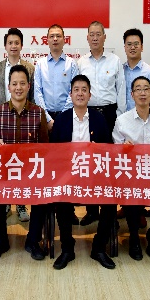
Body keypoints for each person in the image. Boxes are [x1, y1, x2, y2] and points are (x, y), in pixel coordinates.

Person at [51, 75, 117, 270]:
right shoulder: (61, 119)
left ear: (90, 95)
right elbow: (53, 153)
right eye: (76, 90)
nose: (80, 93)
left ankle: (99, 247)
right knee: (60, 197)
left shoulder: (99, 119)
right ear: (70, 94)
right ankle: (67, 248)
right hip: (68, 175)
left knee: (111, 200)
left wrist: (98, 150)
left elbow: (108, 150)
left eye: (84, 90)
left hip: (95, 174)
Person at [0, 64, 48, 260]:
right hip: (5, 173)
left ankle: (33, 241)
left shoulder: (38, 113)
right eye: (14, 84)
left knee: (42, 195)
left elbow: (46, 147)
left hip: (31, 173)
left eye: (22, 83)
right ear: (8, 86)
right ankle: (0, 242)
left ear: (29, 86)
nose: (18, 88)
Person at [112, 76, 150, 260]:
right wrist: (122, 148)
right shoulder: (122, 121)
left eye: (146, 89)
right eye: (138, 89)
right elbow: (114, 152)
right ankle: (134, 237)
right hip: (132, 174)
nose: (142, 93)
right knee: (130, 191)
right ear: (132, 94)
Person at [77, 20, 126, 226]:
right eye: (92, 34)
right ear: (87, 38)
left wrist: (120, 119)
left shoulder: (115, 61)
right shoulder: (81, 62)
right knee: (90, 163)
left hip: (109, 114)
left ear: (104, 37)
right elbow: (78, 91)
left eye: (99, 34)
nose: (95, 38)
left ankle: (109, 213)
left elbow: (121, 90)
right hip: (88, 114)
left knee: (109, 164)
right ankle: (91, 211)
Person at [0, 28, 35, 222]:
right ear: (5, 46)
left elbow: (32, 96)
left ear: (21, 45)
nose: (14, 46)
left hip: (24, 120)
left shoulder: (30, 68)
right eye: (10, 43)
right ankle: (7, 201)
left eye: (17, 42)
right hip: (3, 120)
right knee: (6, 164)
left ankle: (22, 204)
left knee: (21, 164)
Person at [34, 24, 78, 131]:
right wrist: (47, 119)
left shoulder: (71, 64)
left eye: (58, 36)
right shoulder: (40, 64)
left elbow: (74, 91)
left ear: (64, 40)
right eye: (52, 36)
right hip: (45, 117)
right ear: (47, 40)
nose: (55, 39)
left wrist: (62, 117)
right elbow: (37, 92)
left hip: (67, 116)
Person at [122, 28, 150, 112]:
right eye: (129, 44)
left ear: (142, 47)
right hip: (122, 117)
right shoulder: (120, 71)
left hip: (142, 118)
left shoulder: (149, 72)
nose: (132, 47)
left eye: (136, 44)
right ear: (125, 47)